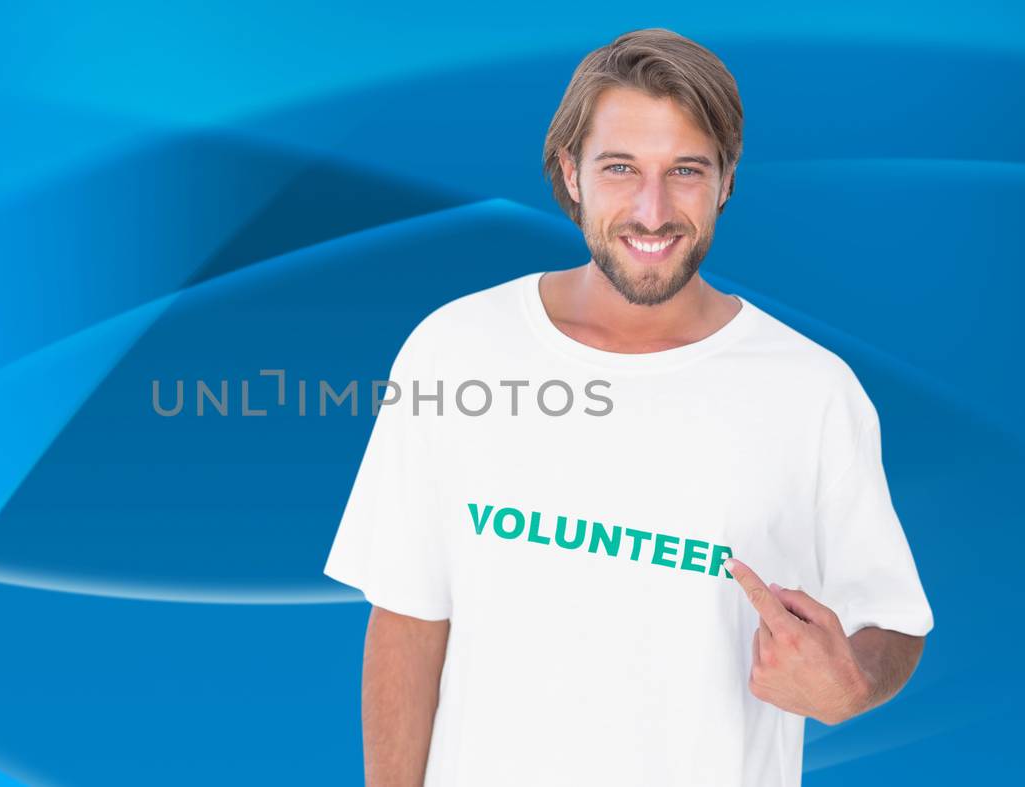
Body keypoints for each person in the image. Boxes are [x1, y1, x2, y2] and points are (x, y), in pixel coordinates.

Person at [321, 27, 933, 787]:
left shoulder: (811, 389)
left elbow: (893, 620)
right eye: (620, 169)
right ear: (570, 172)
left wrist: (854, 684)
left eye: (686, 170)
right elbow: (410, 619)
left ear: (727, 180)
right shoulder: (455, 350)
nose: (653, 210)